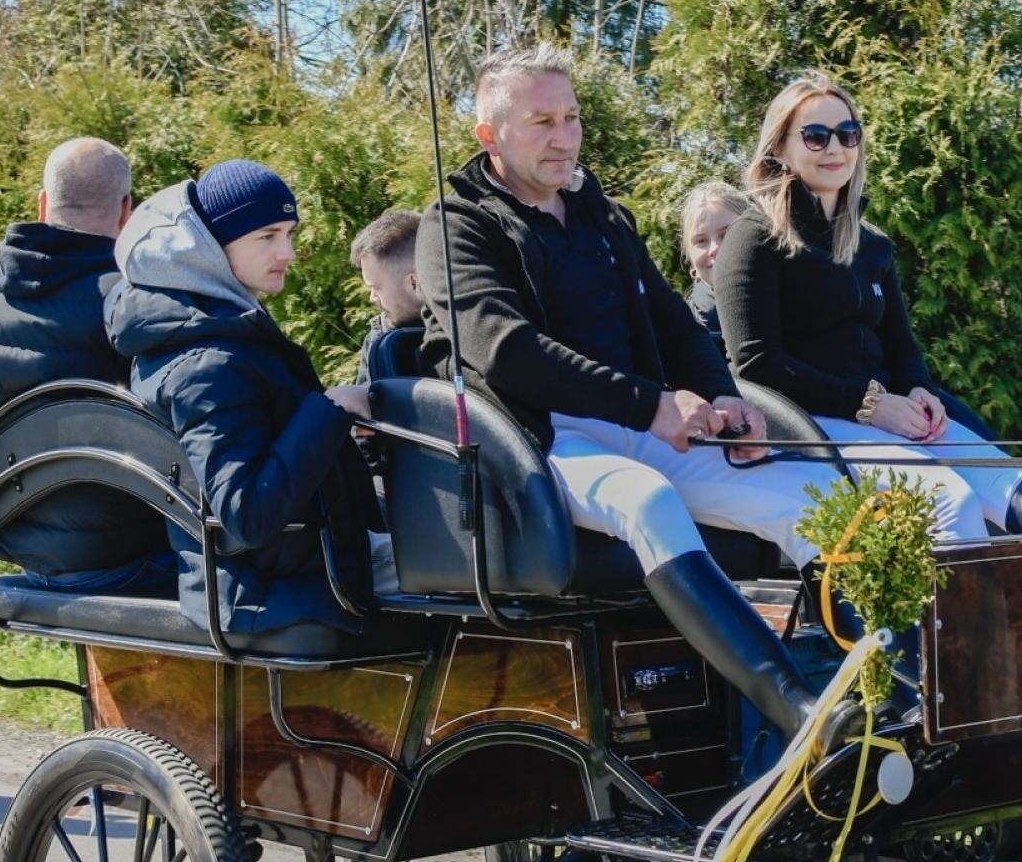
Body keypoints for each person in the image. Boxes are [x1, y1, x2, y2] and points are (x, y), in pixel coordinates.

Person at [415, 45, 866, 747]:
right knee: (645, 498)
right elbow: (503, 348)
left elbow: (673, 321)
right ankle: (797, 712)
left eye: (571, 117)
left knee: (813, 496)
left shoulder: (603, 218)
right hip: (538, 444)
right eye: (541, 122)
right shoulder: (455, 225)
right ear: (489, 136)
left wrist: (722, 396)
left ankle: (881, 687)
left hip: (640, 424)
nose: (564, 136)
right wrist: (650, 405)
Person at [713, 71, 1022, 535]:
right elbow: (757, 366)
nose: (835, 148)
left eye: (848, 134)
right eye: (816, 135)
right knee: (949, 500)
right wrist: (870, 405)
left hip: (886, 414)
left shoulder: (871, 244)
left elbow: (902, 347)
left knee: (1008, 482)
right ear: (780, 146)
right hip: (809, 426)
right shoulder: (754, 236)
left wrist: (917, 391)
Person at [105, 160, 375, 637]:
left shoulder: (215, 338)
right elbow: (247, 514)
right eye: (266, 236)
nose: (287, 252)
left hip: (295, 569)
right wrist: (331, 410)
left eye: (289, 233)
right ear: (208, 247)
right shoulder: (208, 362)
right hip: (272, 591)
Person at [0, 137, 171, 592]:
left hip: (8, 544)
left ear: (43, 202)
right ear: (126, 210)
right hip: (131, 554)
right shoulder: (134, 298)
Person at [349, 208, 424, 382]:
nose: (372, 297)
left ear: (414, 282)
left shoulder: (470, 325)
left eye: (376, 287)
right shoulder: (378, 340)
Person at [678, 181, 751, 352]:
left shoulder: (798, 306)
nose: (714, 249)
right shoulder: (681, 336)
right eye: (701, 241)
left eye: (726, 234)